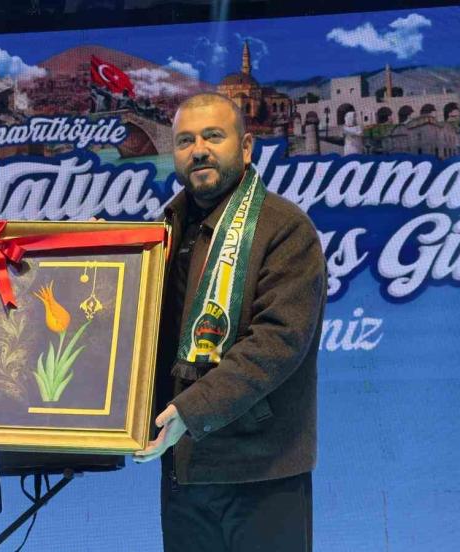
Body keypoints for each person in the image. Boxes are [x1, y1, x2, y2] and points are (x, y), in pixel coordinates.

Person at [135, 93, 326, 552]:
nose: (198, 150)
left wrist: (191, 410)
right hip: (185, 468)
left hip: (261, 472)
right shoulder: (161, 232)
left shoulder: (285, 228)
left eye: (213, 136)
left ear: (246, 147)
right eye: (185, 141)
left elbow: (277, 342)